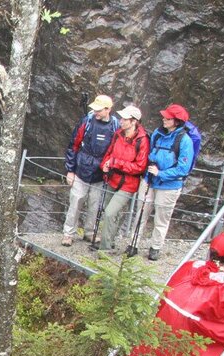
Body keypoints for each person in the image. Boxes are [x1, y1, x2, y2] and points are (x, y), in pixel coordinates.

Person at [135, 104, 194, 261]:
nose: (163, 119)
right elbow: (151, 152)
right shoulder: (158, 134)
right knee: (141, 212)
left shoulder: (185, 141)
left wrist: (161, 173)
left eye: (167, 118)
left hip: (169, 186)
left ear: (176, 121)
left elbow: (183, 169)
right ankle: (133, 243)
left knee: (161, 218)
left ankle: (155, 247)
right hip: (150, 180)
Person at [61, 94, 120, 247]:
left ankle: (90, 232)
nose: (96, 112)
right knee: (76, 203)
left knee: (95, 205)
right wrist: (70, 170)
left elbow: (116, 149)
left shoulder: (115, 126)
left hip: (100, 174)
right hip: (81, 170)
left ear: (108, 109)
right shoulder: (86, 122)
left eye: (99, 110)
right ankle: (68, 233)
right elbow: (73, 145)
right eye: (95, 109)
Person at [95, 105, 149, 252]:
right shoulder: (118, 134)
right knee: (110, 211)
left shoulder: (142, 140)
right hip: (113, 178)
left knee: (110, 212)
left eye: (125, 119)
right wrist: (104, 165)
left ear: (133, 121)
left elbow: (140, 166)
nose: (121, 121)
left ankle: (105, 249)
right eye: (122, 118)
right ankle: (109, 242)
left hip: (129, 183)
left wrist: (116, 163)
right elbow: (110, 152)